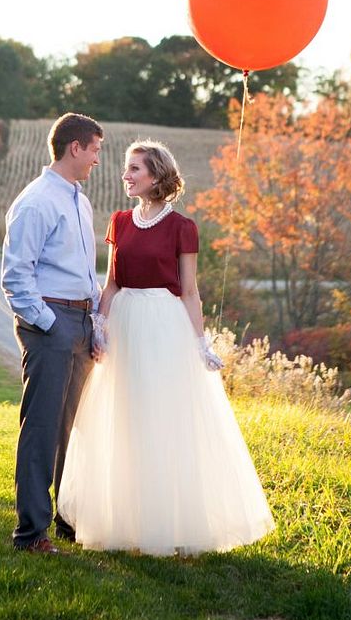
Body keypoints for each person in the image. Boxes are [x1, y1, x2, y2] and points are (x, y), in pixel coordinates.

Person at [58, 140, 275, 556]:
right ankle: (123, 521)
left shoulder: (182, 227)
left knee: (162, 420)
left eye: (134, 169)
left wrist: (200, 342)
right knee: (123, 417)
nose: (126, 175)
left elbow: (190, 291)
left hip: (164, 326)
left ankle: (169, 522)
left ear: (156, 177)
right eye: (127, 168)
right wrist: (100, 324)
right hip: (124, 323)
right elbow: (112, 283)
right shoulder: (119, 222)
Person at [1, 112, 104, 555]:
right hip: (52, 323)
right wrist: (50, 326)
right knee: (42, 427)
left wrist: (94, 321)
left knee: (71, 428)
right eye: (95, 150)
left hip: (81, 321)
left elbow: (86, 271)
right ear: (74, 148)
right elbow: (15, 277)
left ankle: (67, 519)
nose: (99, 159)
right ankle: (30, 533)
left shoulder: (80, 200)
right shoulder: (36, 201)